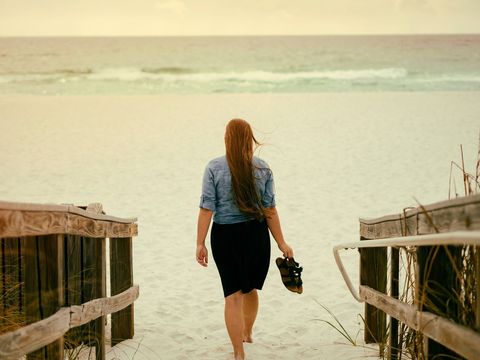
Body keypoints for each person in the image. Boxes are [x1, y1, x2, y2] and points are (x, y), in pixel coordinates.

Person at [196, 118, 294, 360]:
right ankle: (247, 333)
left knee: (233, 295)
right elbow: (269, 209)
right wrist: (282, 243)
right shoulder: (262, 168)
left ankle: (238, 352)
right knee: (250, 289)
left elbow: (206, 208)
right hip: (256, 236)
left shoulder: (214, 168)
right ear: (249, 139)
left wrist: (200, 242)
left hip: (225, 237)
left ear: (227, 139)